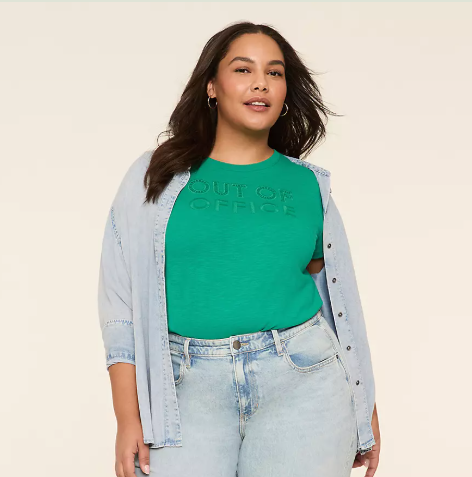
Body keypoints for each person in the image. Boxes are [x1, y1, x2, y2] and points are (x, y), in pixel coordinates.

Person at [97, 21, 381, 477]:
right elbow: (119, 302)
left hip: (304, 381)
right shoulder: (155, 176)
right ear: (212, 85)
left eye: (274, 72)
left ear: (285, 92)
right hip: (184, 387)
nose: (260, 83)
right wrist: (126, 417)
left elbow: (338, 305)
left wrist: (365, 411)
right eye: (243, 69)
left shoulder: (309, 186)